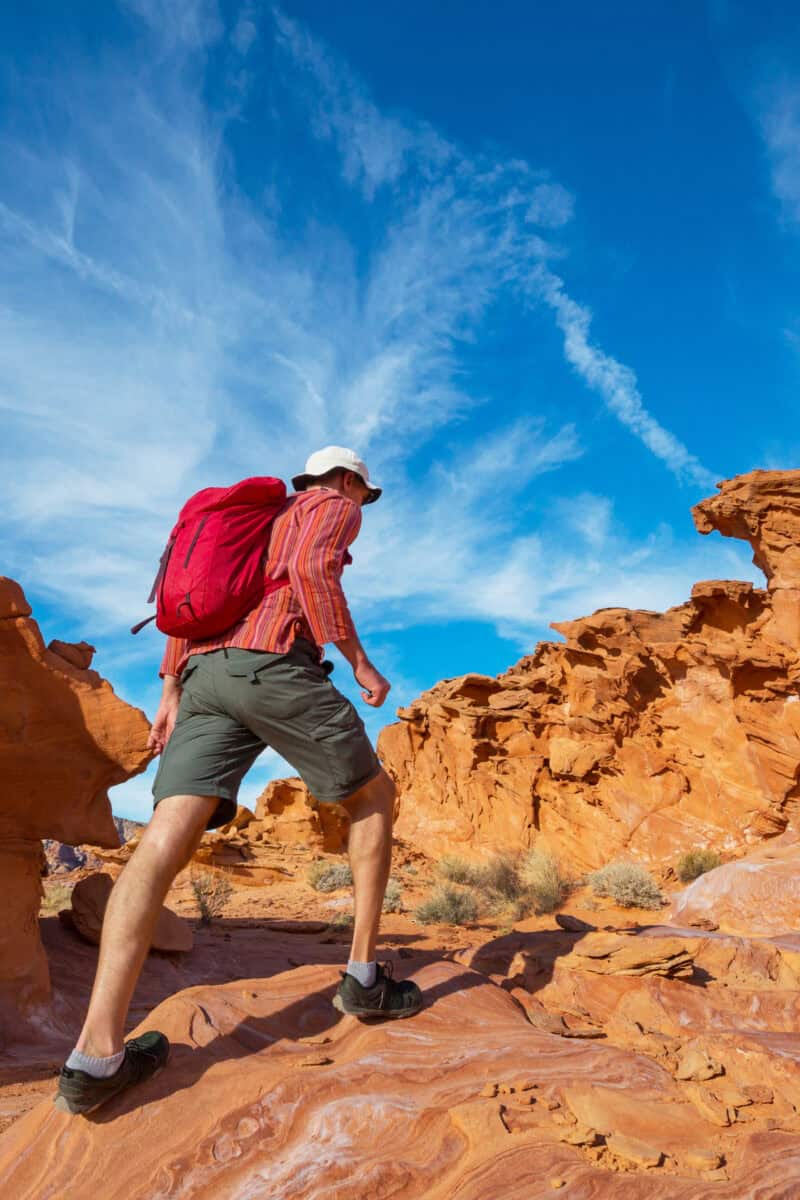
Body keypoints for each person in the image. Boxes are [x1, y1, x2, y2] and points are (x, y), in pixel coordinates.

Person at [55, 446, 423, 1116]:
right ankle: (365, 978)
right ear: (347, 482)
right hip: (274, 662)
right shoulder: (328, 506)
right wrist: (361, 663)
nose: (360, 504)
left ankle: (95, 1057)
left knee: (163, 841)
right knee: (373, 797)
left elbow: (185, 615)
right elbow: (314, 570)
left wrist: (169, 695)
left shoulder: (247, 525)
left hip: (203, 679)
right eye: (364, 492)